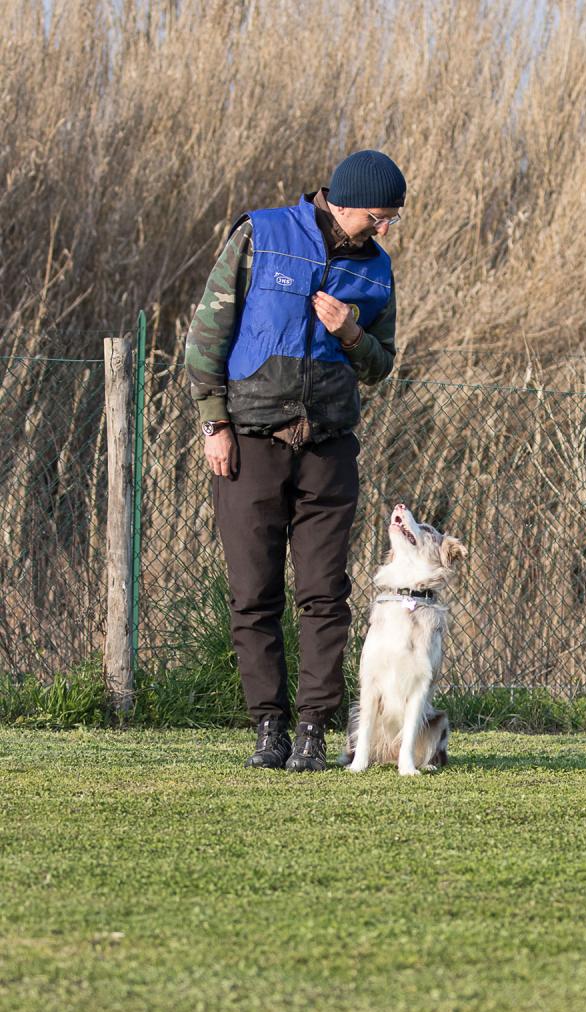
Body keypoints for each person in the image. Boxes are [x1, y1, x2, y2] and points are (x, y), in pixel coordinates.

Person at [185, 150, 405, 771]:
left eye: (392, 218)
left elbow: (381, 364)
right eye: (378, 216)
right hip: (251, 440)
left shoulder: (376, 270)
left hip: (329, 447)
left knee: (324, 595)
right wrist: (214, 423)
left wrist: (351, 333)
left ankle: (312, 729)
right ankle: (269, 728)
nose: (385, 228)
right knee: (253, 594)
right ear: (343, 201)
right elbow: (207, 333)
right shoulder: (261, 234)